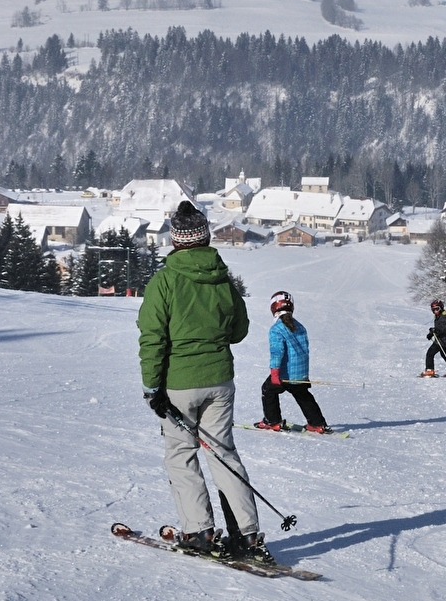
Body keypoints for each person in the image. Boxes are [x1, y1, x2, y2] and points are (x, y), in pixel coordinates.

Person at [138, 201, 275, 565]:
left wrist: (153, 388)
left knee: (182, 455)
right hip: (220, 381)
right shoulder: (221, 279)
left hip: (179, 384)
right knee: (223, 454)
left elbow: (153, 338)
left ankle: (199, 531)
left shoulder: (164, 281)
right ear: (204, 236)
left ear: (176, 239)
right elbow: (239, 330)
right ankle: (246, 535)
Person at [254, 290, 332, 434]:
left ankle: (273, 421)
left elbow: (277, 352)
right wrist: (303, 373)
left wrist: (275, 372)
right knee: (302, 394)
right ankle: (317, 423)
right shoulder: (300, 326)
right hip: (300, 372)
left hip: (285, 373)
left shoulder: (277, 329)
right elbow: (304, 350)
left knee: (268, 390)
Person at [423, 299, 446, 376]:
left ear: (441, 308)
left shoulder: (443, 317)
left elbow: (443, 329)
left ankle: (430, 370)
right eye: (433, 310)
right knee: (445, 355)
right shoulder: (439, 316)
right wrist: (431, 333)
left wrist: (434, 331)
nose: (435, 311)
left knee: (430, 353)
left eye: (437, 309)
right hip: (444, 340)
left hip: (442, 340)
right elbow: (439, 329)